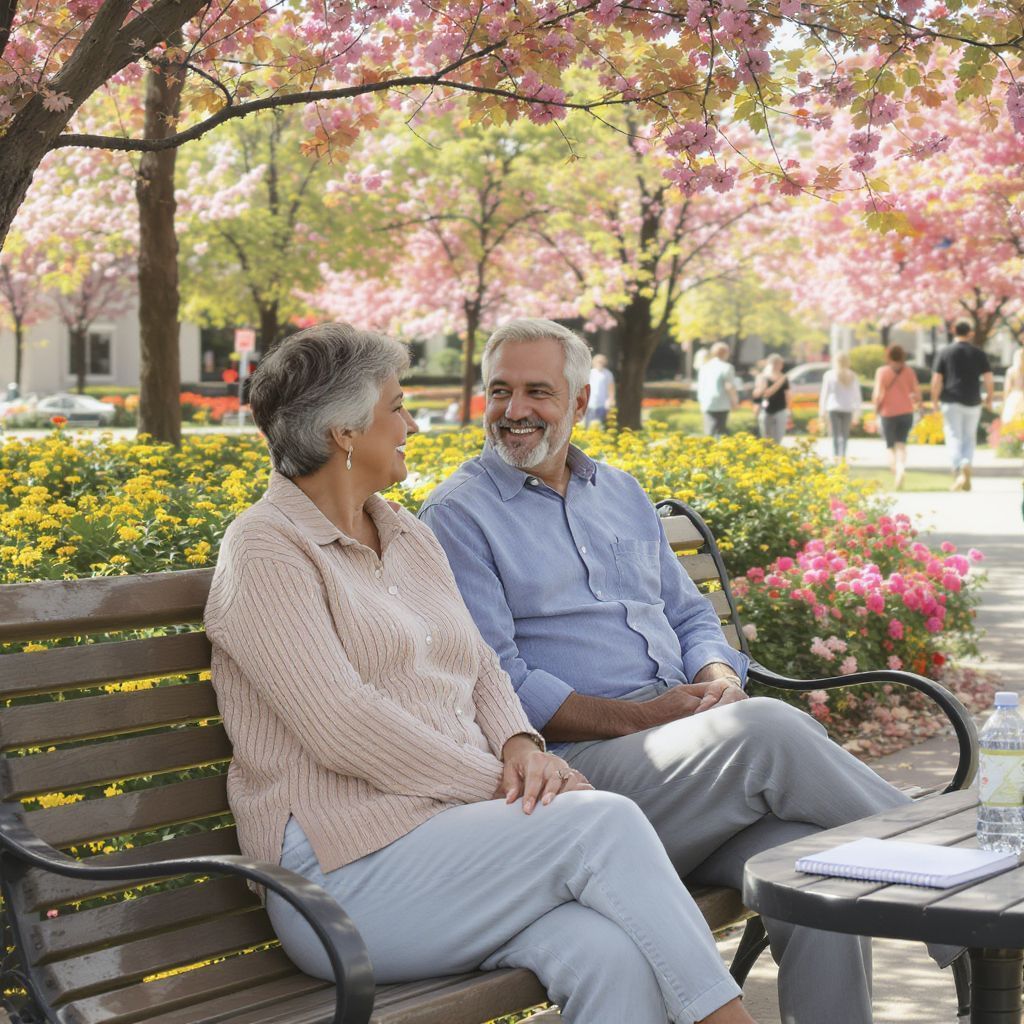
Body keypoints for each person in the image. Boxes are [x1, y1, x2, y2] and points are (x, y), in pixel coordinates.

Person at [204, 322, 759, 1024]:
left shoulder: (403, 532)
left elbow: (482, 669)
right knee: (599, 823)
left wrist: (521, 745)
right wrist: (499, 781)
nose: (413, 423)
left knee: (610, 955)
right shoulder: (266, 550)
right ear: (345, 432)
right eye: (397, 408)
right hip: (343, 879)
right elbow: (344, 725)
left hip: (453, 846)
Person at [420, 318, 960, 1024]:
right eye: (500, 391)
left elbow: (690, 614)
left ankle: (948, 898)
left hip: (684, 771)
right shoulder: (459, 516)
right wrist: (653, 717)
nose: (514, 410)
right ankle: (954, 897)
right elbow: (501, 683)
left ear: (581, 402)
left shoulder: (618, 492)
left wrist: (716, 675)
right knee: (764, 727)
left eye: (537, 392)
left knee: (819, 878)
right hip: (580, 781)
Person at [931, 320, 994, 491]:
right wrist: (989, 397)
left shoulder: (945, 352)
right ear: (970, 333)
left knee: (953, 435)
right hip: (973, 400)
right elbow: (988, 378)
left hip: (951, 400)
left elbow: (937, 380)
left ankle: (958, 468)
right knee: (969, 436)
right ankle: (967, 462)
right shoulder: (978, 353)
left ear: (953, 331)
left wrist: (934, 400)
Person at [872, 344, 922, 490]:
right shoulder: (909, 371)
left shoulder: (882, 371)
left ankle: (895, 471)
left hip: (888, 412)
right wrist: (919, 405)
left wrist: (875, 410)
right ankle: (901, 468)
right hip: (906, 411)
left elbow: (877, 394)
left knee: (890, 445)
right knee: (901, 443)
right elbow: (917, 392)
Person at [818, 351, 861, 463]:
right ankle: (842, 457)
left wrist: (822, 411)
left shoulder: (829, 375)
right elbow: (857, 396)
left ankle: (836, 456)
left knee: (836, 435)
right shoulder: (853, 376)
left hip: (833, 408)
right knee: (844, 435)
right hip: (847, 408)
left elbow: (824, 394)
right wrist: (857, 413)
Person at [697, 342, 739, 437]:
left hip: (706, 401)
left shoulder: (704, 367)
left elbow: (700, 385)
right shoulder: (727, 367)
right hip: (721, 402)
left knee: (709, 431)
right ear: (726, 353)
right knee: (720, 431)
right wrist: (735, 402)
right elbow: (729, 386)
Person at [751, 353, 789, 443]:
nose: (777, 366)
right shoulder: (763, 377)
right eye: (775, 363)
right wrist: (780, 381)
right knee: (766, 438)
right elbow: (761, 394)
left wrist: (789, 410)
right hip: (765, 410)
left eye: (779, 363)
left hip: (780, 409)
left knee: (778, 438)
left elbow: (787, 394)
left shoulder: (784, 378)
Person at [584, 353, 615, 427]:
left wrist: (611, 399)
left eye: (601, 361)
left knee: (600, 425)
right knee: (589, 425)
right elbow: (585, 388)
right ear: (594, 362)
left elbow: (611, 388)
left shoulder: (608, 374)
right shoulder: (590, 373)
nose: (600, 363)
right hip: (590, 404)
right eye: (598, 361)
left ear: (604, 362)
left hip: (603, 404)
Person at [1001, 346, 1024, 425]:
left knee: (1011, 424)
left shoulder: (1011, 371)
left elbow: (1007, 390)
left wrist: (1004, 405)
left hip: (1014, 398)